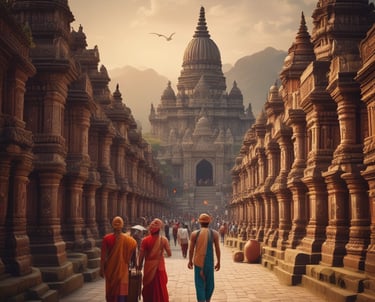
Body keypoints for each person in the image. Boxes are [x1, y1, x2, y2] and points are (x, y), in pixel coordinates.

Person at [100, 216, 137, 302]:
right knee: (121, 292)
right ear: (122, 225)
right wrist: (133, 261)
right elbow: (134, 246)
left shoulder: (107, 238)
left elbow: (103, 257)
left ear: (112, 225)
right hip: (122, 269)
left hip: (110, 270)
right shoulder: (128, 239)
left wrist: (101, 269)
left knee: (111, 292)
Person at [188, 213, 221, 302]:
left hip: (198, 262)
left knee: (199, 284)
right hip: (209, 262)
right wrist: (218, 261)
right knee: (210, 284)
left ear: (199, 222)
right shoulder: (214, 234)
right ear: (209, 222)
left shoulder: (194, 234)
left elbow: (191, 250)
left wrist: (190, 261)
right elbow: (217, 249)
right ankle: (208, 300)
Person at [137, 218, 172, 302]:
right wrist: (160, 255)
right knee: (160, 286)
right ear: (159, 229)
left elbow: (141, 256)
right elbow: (169, 254)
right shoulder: (164, 240)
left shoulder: (145, 240)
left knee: (149, 287)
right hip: (160, 266)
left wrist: (139, 266)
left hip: (148, 266)